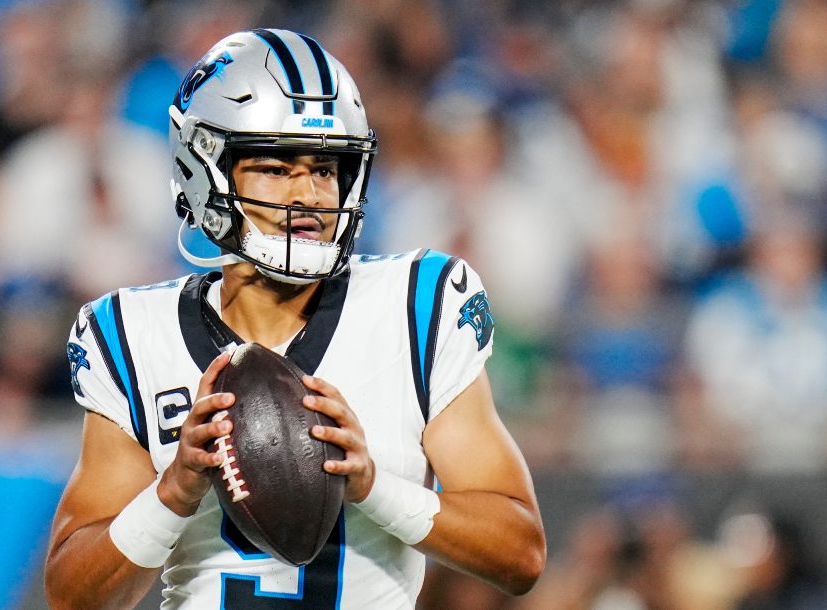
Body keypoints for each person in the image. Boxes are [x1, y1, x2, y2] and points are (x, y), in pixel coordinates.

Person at [44, 28, 545, 609]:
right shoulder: (132, 335)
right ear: (207, 170)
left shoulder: (416, 306)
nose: (308, 193)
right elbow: (71, 596)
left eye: (326, 168)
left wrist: (375, 486)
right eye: (277, 169)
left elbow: (521, 555)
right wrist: (172, 492)